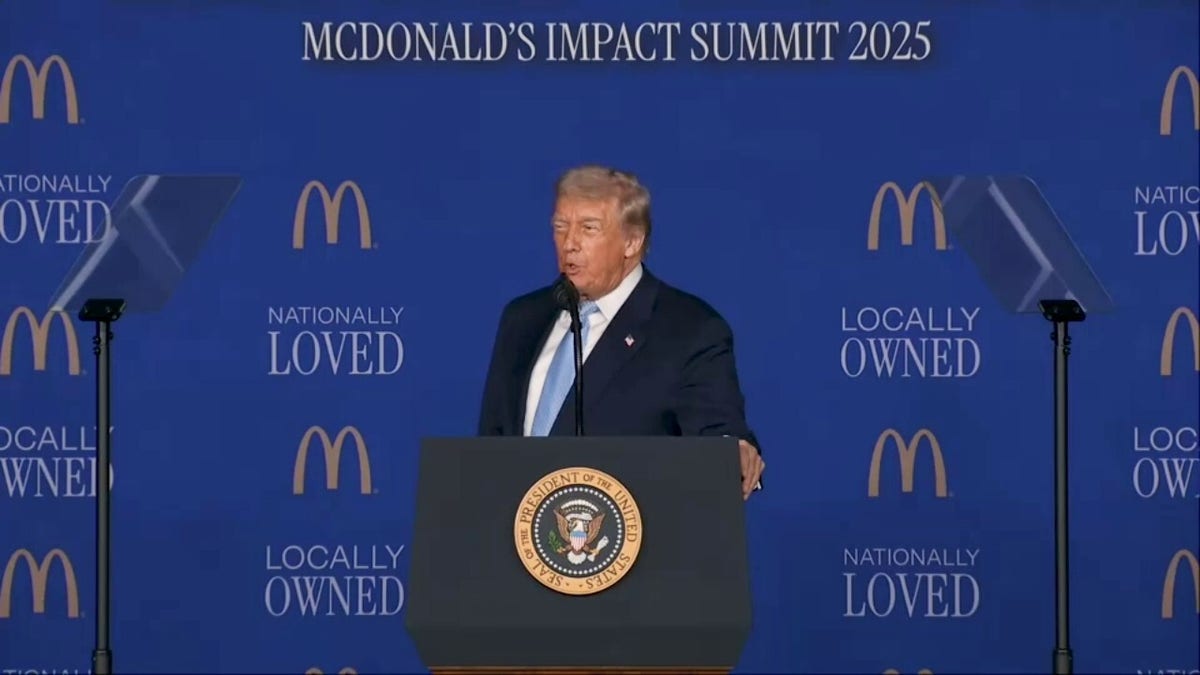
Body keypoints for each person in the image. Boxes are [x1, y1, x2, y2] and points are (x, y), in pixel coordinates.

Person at [477, 165, 764, 499]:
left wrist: (733, 453)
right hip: (516, 538)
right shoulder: (522, 318)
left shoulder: (690, 329)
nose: (569, 243)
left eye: (588, 228)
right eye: (560, 227)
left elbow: (719, 433)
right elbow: (491, 444)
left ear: (632, 241)